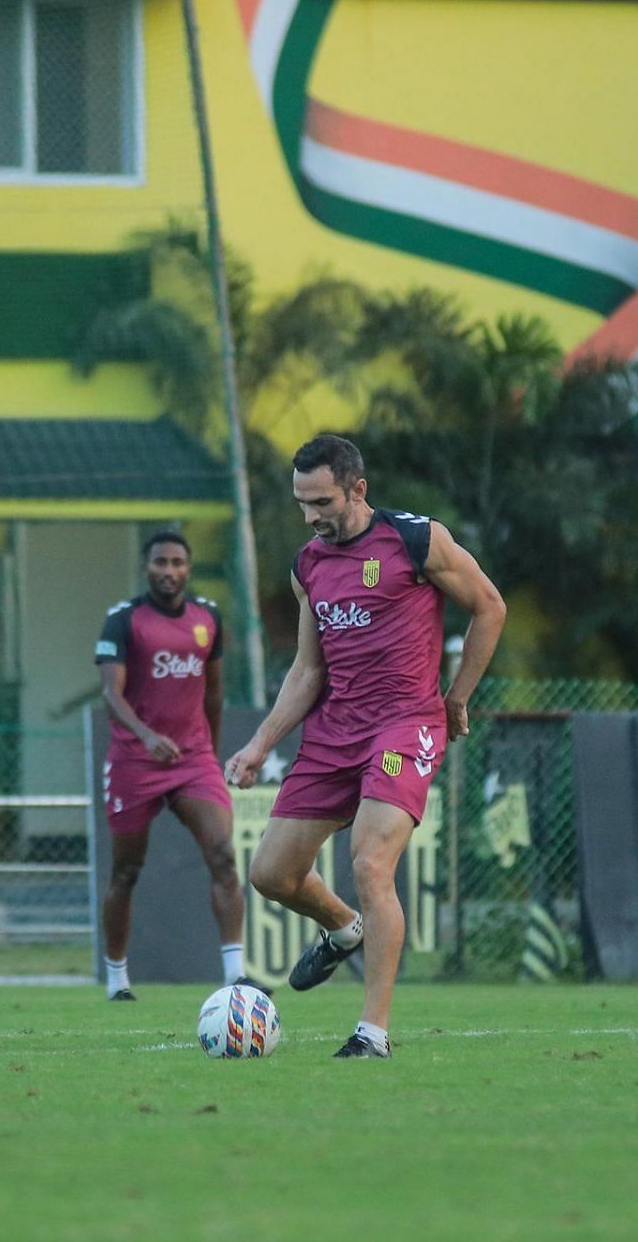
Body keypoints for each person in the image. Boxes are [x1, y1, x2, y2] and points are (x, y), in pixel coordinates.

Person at [226, 435, 506, 1058]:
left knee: (370, 865)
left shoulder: (415, 540)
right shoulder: (309, 566)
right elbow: (307, 670)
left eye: (320, 501)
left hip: (405, 723)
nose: (310, 516)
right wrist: (258, 744)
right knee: (271, 874)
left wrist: (456, 697)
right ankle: (342, 928)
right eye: (301, 502)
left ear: (358, 490)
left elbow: (489, 607)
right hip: (334, 731)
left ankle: (371, 1032)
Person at [94, 532, 252, 999]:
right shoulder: (123, 621)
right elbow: (110, 693)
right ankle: (117, 976)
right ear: (146, 568)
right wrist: (145, 735)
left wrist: (211, 752)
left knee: (223, 855)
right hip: (134, 760)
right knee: (126, 871)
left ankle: (234, 976)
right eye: (160, 562)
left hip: (193, 759)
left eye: (177, 562)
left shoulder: (208, 618)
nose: (169, 570)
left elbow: (215, 692)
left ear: (188, 568)